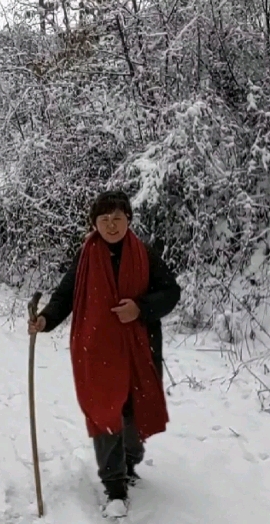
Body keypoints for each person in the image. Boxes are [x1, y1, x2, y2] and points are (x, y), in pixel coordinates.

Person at [29, 190, 180, 519]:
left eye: (118, 218)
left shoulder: (145, 254)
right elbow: (66, 294)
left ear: (128, 220)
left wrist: (140, 308)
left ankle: (130, 461)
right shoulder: (86, 256)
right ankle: (115, 488)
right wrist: (46, 319)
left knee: (132, 415)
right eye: (104, 219)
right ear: (94, 224)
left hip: (139, 350)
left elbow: (171, 292)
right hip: (98, 351)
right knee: (105, 414)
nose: (111, 225)